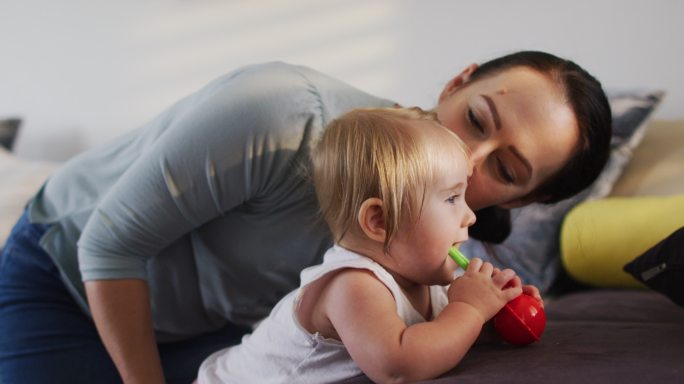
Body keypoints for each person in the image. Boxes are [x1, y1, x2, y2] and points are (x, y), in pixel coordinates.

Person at [0, 51, 611, 384]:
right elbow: (111, 246)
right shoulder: (284, 114)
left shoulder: (441, 244)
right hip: (71, 279)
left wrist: (482, 309)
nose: (468, 160)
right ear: (457, 81)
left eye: (504, 171)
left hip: (217, 328)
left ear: (521, 203)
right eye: (476, 120)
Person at [196, 106, 530, 383]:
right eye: (453, 198)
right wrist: (469, 310)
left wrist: (493, 316)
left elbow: (440, 338)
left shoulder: (426, 283)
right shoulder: (353, 286)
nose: (470, 216)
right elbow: (398, 365)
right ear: (380, 222)